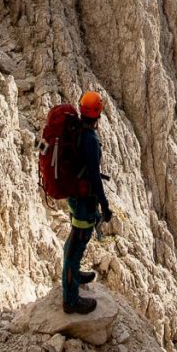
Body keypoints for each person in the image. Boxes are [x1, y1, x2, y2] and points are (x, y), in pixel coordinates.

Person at [62, 90, 112, 314]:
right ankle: (71, 300)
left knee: (75, 239)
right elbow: (93, 176)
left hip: (75, 196)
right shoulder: (90, 139)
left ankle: (74, 274)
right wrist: (104, 204)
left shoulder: (77, 129)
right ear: (98, 113)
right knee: (77, 244)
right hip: (84, 199)